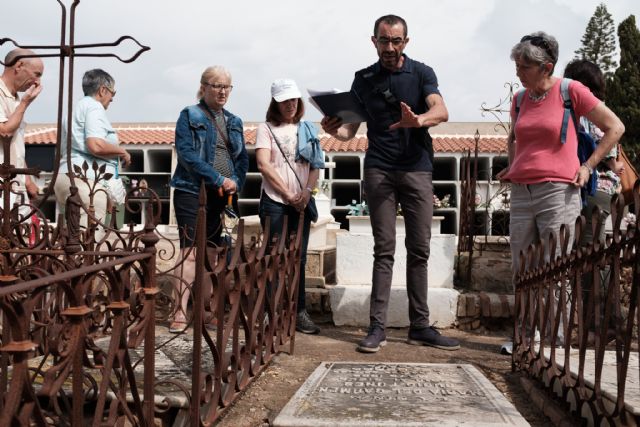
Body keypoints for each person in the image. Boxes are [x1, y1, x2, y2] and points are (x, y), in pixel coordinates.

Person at [321, 15, 459, 352]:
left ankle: (420, 326)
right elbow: (349, 132)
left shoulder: (422, 73)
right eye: (384, 40)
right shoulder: (363, 79)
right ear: (374, 41)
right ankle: (377, 327)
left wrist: (418, 121)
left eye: (396, 41)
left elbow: (440, 110)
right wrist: (331, 130)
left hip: (417, 168)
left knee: (420, 249)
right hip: (380, 168)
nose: (390, 47)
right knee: (384, 249)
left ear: (406, 42)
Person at [497, 32, 624, 344]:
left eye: (524, 66)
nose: (518, 71)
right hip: (522, 190)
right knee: (523, 267)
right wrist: (513, 167)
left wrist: (587, 166)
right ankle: (525, 338)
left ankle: (554, 339)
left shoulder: (571, 91)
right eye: (517, 64)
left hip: (558, 190)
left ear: (546, 67)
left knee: (554, 267)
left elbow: (615, 127)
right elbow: (515, 138)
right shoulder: (519, 99)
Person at [168, 66, 248, 333]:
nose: (223, 91)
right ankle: (179, 311)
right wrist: (218, 178)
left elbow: (242, 158)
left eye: (227, 86)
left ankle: (205, 311)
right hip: (191, 191)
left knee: (212, 256)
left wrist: (235, 181)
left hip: (220, 196)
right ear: (204, 87)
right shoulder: (189, 115)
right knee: (189, 253)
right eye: (217, 85)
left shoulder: (234, 121)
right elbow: (187, 155)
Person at [256, 78, 324, 335]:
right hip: (275, 201)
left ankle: (298, 312)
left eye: (294, 99)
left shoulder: (308, 128)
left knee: (298, 259)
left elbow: (316, 165)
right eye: (285, 100)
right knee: (273, 257)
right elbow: (264, 164)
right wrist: (287, 193)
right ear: (276, 102)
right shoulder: (266, 128)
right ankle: (270, 313)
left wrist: (306, 193)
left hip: (302, 202)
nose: (291, 104)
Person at [564, 59, 625, 344]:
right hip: (600, 193)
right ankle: (603, 326)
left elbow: (611, 158)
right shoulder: (599, 110)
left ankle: (599, 329)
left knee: (590, 260)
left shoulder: (586, 111)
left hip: (593, 192)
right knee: (593, 259)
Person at [54, 69, 131, 228]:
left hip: (66, 176)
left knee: (73, 239)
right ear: (103, 90)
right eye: (112, 93)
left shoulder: (75, 109)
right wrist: (122, 151)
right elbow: (95, 145)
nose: (112, 99)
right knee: (88, 242)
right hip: (85, 180)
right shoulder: (94, 107)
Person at [0, 48, 43, 218]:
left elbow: (14, 143)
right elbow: (5, 132)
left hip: (14, 183)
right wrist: (25, 103)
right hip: (2, 182)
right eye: (36, 74)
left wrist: (27, 180)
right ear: (19, 66)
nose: (37, 82)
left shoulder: (14, 97)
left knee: (17, 239)